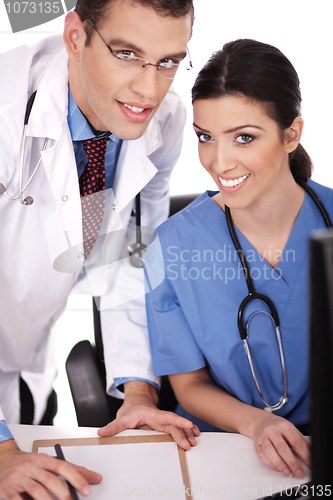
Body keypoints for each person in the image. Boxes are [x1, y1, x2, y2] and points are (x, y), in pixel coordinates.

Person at [0, 1, 200, 498]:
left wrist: (137, 391)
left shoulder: (162, 123)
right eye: (128, 54)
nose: (150, 89)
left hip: (25, 354)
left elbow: (131, 253)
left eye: (169, 60)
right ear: (75, 37)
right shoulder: (6, 106)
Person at [146, 39, 333, 480]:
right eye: (205, 137)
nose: (219, 161)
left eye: (244, 137)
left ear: (292, 134)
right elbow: (189, 386)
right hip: (229, 450)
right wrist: (257, 422)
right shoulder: (174, 245)